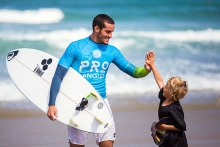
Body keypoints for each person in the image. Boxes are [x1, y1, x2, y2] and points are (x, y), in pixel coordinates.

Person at [47, 14, 151, 147]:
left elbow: (134, 72)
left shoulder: (112, 51)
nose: (111, 36)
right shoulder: (76, 47)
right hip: (77, 103)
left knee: (107, 144)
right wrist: (52, 104)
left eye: (112, 32)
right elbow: (58, 75)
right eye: (107, 31)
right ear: (97, 28)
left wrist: (146, 69)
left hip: (101, 101)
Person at [145, 51, 188, 147]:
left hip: (176, 143)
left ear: (172, 94)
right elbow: (159, 80)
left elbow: (181, 126)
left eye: (166, 87)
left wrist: (164, 126)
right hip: (166, 137)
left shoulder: (174, 109)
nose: (163, 87)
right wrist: (152, 65)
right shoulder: (165, 96)